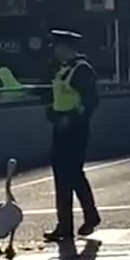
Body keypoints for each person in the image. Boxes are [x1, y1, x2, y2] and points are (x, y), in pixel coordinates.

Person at [44, 28, 101, 242]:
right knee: (62, 175)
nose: (54, 50)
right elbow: (58, 96)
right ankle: (65, 225)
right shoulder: (62, 70)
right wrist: (52, 111)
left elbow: (91, 101)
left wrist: (72, 118)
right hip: (60, 126)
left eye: (57, 46)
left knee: (73, 173)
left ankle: (90, 215)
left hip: (75, 129)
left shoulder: (81, 70)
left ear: (66, 48)